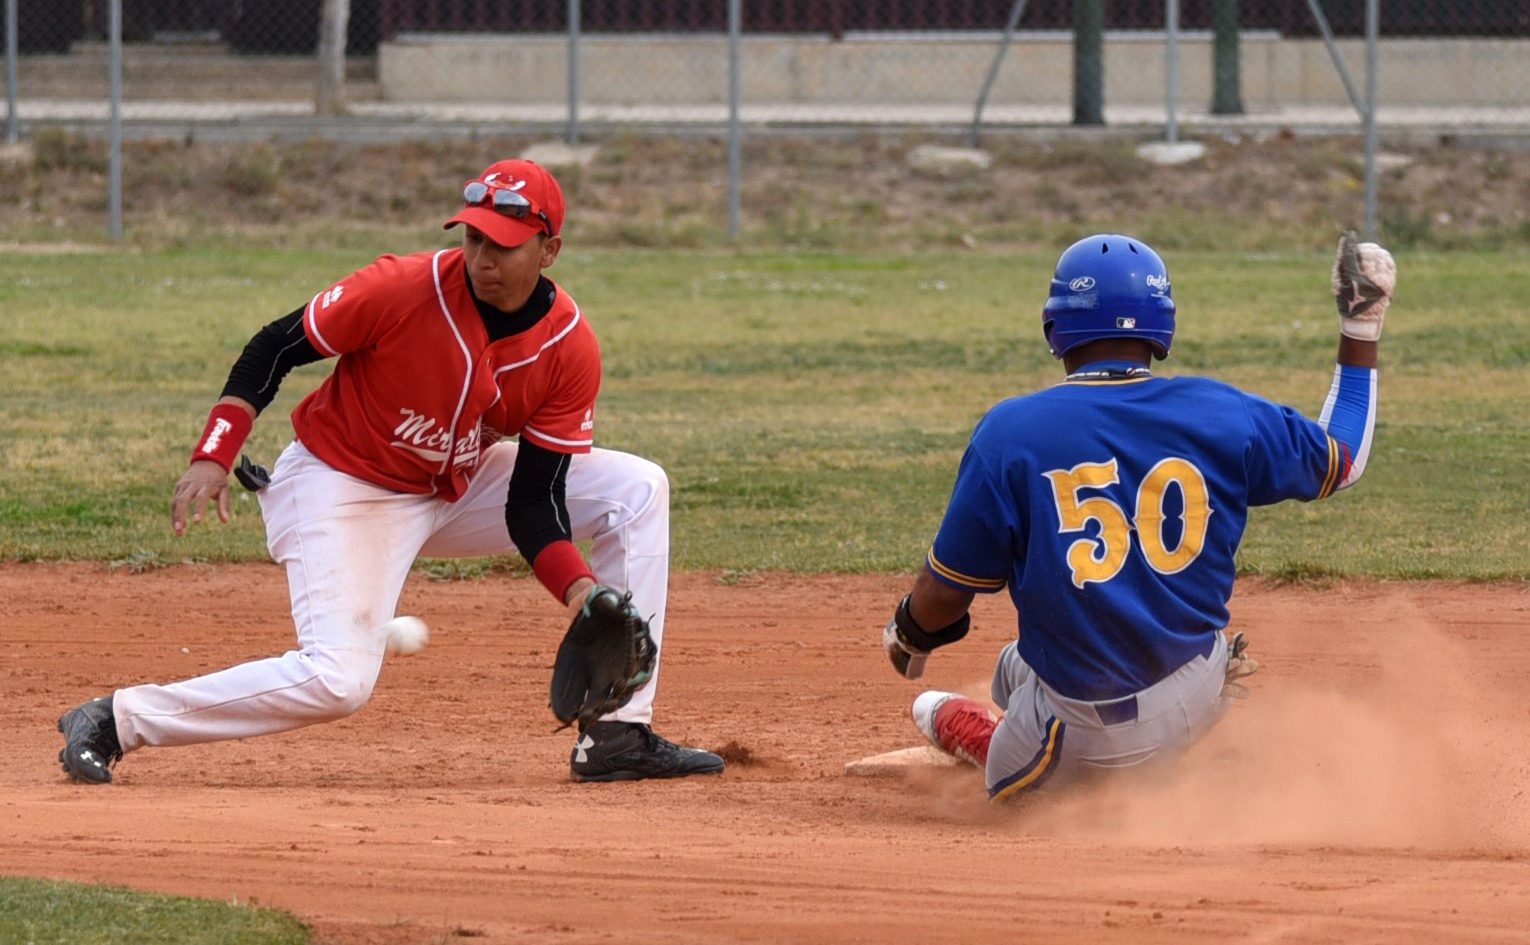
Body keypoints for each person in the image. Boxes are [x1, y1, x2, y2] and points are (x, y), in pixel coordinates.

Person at [56, 159, 725, 785]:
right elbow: (277, 345)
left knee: (638, 487)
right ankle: (115, 720)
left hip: (454, 483)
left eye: (505, 246)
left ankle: (616, 736)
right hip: (341, 484)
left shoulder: (568, 345)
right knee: (338, 681)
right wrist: (215, 448)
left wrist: (579, 592)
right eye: (474, 240)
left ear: (549, 251)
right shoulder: (403, 287)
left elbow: (534, 500)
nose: (483, 259)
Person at [882, 231, 1393, 800]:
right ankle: (1166, 747)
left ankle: (977, 730)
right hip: (1198, 689)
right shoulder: (1223, 411)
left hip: (1084, 735)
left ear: (1055, 328)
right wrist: (1360, 327)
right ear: (1162, 327)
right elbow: (1342, 459)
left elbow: (943, 596)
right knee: (1013, 667)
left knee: (992, 768)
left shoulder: (1011, 432)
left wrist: (909, 639)